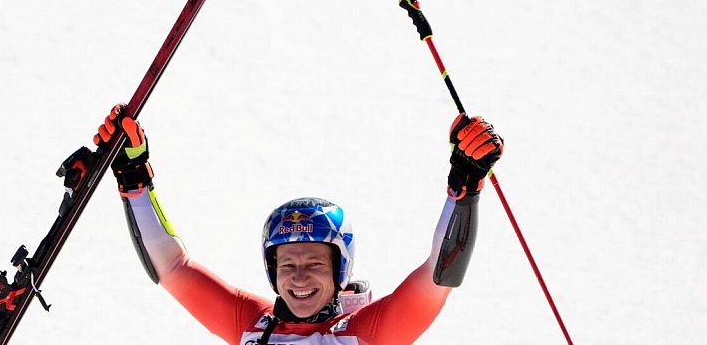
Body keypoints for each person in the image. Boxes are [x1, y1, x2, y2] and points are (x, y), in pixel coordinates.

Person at [73, 103, 503, 344]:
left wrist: (464, 186)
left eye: (314, 263)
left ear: (339, 270)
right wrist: (134, 180)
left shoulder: (365, 334)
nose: (298, 277)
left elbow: (439, 275)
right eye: (287, 264)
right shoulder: (251, 323)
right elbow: (172, 268)